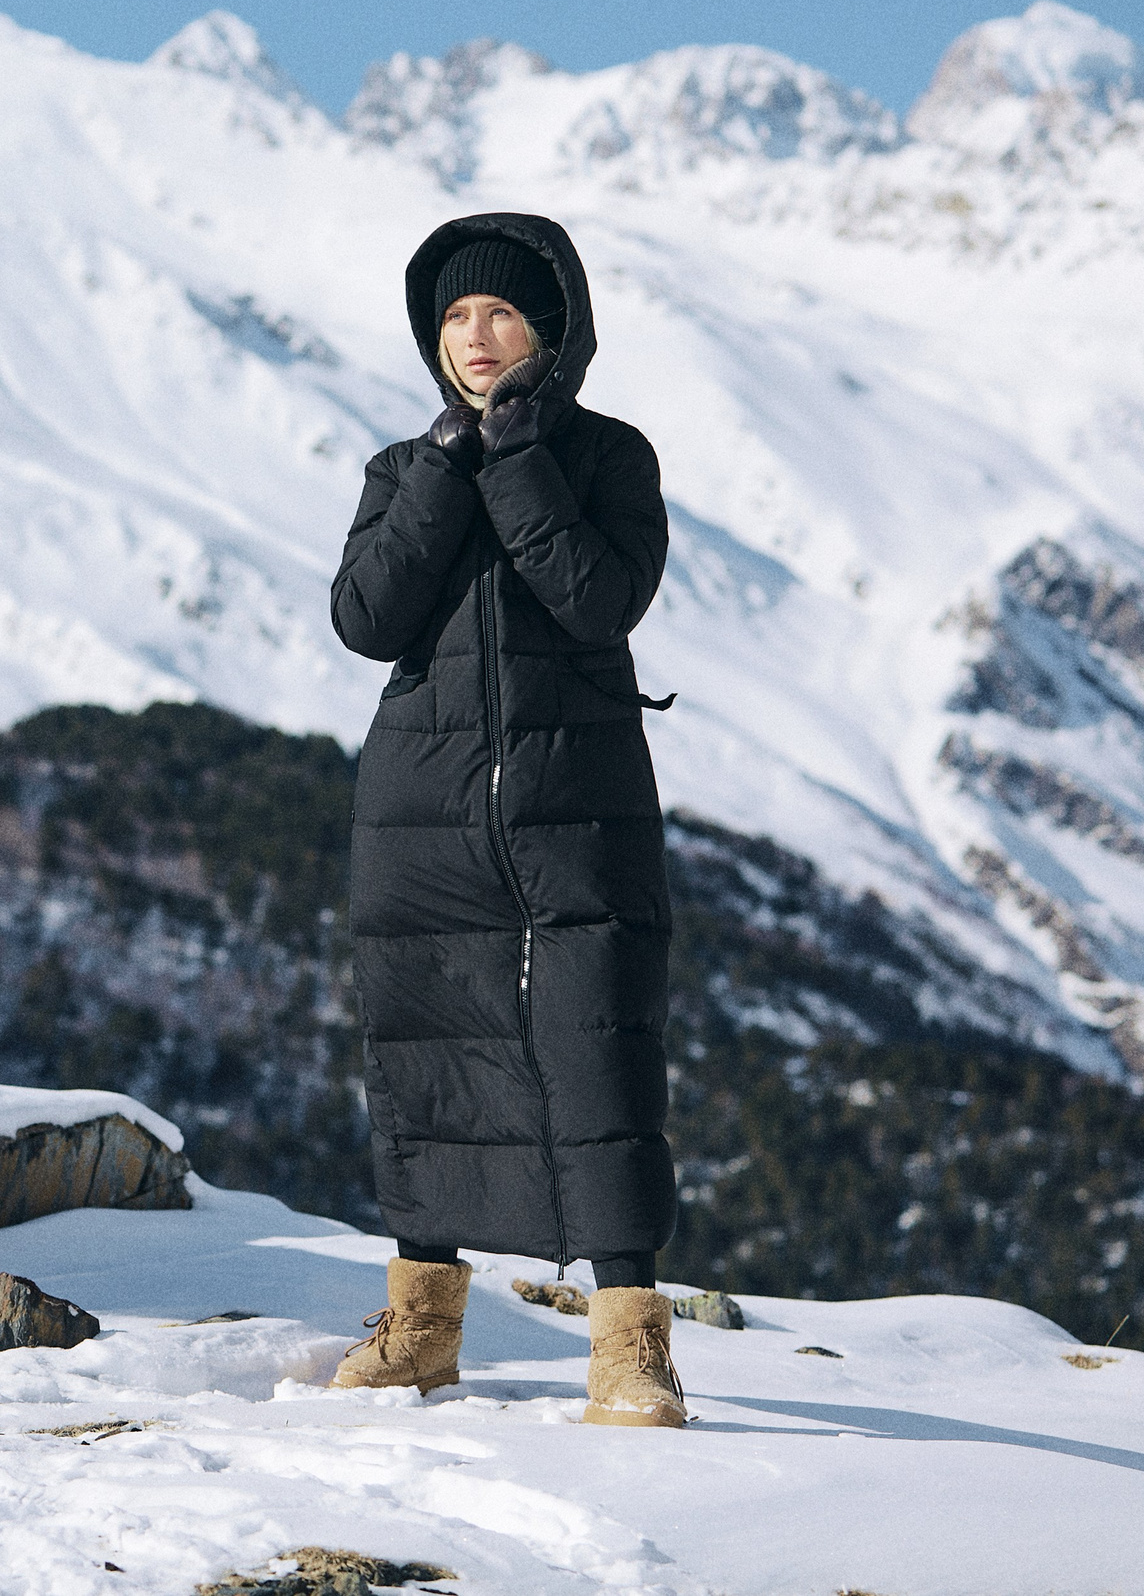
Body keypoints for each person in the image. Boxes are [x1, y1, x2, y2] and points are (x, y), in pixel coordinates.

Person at [326, 214, 683, 1427]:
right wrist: (443, 468)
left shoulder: (608, 457)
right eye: (454, 319)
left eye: (500, 315)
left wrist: (516, 458)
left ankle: (631, 1351)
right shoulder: (401, 465)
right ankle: (418, 1333)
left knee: (599, 1053)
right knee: (427, 1053)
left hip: (576, 808)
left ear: (553, 327)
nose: (474, 340)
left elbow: (597, 598)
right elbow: (368, 617)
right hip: (418, 816)